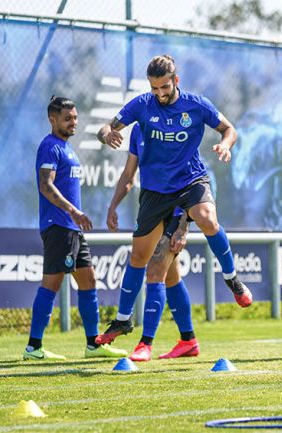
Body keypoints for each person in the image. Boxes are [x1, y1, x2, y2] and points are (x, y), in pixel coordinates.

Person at [95, 54, 252, 345]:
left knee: (206, 218)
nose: (160, 94)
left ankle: (232, 279)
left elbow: (229, 129)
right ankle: (123, 320)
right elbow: (107, 127)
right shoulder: (141, 106)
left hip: (190, 181)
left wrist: (225, 145)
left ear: (175, 81)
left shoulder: (196, 104)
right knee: (139, 257)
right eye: (155, 88)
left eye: (164, 87)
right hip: (155, 193)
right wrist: (106, 135)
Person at [24, 96, 127, 360]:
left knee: (89, 279)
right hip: (58, 225)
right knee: (52, 282)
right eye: (67, 118)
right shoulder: (50, 146)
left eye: (75, 117)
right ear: (53, 119)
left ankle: (93, 344)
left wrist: (75, 217)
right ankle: (33, 347)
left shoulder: (67, 148)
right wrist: (73, 211)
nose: (73, 122)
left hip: (72, 228)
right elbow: (45, 186)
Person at [106, 126, 200, 361]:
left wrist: (183, 226)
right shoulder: (139, 130)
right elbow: (128, 175)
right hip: (153, 207)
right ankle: (188, 340)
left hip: (178, 211)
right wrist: (113, 205)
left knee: (156, 269)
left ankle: (145, 343)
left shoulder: (178, 126)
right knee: (171, 275)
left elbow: (196, 182)